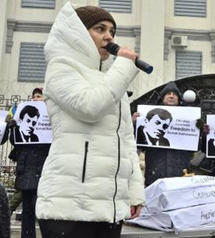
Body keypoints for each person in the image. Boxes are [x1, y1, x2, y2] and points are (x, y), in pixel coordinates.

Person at [35, 3, 145, 238]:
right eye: (100, 29)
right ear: (78, 33)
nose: (109, 36)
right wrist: (124, 65)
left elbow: (126, 140)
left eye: (112, 32)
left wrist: (133, 193)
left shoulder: (111, 79)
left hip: (109, 208)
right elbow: (89, 106)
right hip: (69, 207)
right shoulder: (61, 68)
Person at [1, 87, 49, 238]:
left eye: (39, 96)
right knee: (28, 211)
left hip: (42, 170)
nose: (36, 99)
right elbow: (16, 143)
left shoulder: (48, 118)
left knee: (43, 212)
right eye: (34, 96)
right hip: (26, 171)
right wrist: (13, 128)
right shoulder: (22, 125)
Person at [133, 81, 195, 186]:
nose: (171, 96)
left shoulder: (189, 119)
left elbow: (195, 147)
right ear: (162, 98)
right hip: (155, 174)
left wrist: (201, 131)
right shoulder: (147, 119)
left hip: (180, 175)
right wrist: (134, 124)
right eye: (168, 94)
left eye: (174, 94)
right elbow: (137, 144)